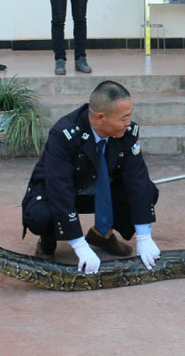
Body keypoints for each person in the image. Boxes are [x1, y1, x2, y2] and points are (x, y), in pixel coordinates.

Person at [22, 81, 160, 274]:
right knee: (41, 215)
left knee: (147, 191)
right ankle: (47, 242)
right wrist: (79, 246)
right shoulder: (63, 134)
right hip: (64, 191)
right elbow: (59, 189)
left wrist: (144, 236)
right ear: (100, 117)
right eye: (123, 118)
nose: (128, 123)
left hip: (98, 191)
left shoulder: (127, 133)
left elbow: (137, 179)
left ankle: (101, 235)